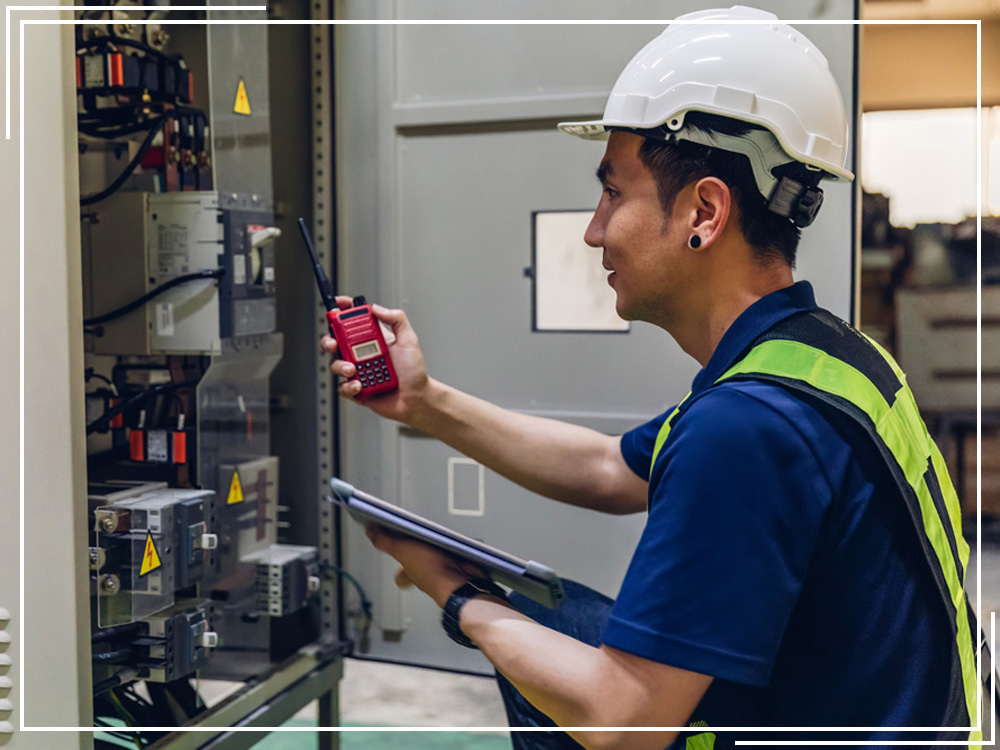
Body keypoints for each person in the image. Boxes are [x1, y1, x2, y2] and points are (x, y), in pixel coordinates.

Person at [322, 7, 983, 749]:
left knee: (562, 671)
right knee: (561, 622)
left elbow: (622, 718)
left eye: (614, 193)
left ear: (704, 211)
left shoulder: (750, 426)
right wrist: (425, 401)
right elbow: (610, 469)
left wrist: (456, 594)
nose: (593, 229)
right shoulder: (827, 357)